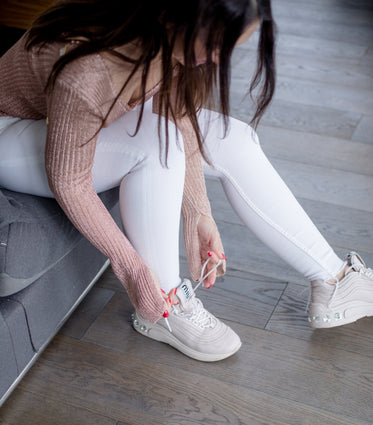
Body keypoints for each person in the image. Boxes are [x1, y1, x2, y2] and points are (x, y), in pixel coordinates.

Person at [0, 0, 371, 362]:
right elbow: (70, 181)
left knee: (234, 139)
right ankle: (163, 305)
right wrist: (133, 270)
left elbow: (179, 117)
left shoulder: (169, 42)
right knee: (153, 146)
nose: (217, 60)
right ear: (174, 16)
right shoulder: (89, 67)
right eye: (214, 46)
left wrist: (198, 213)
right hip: (11, 130)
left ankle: (336, 280)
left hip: (83, 115)